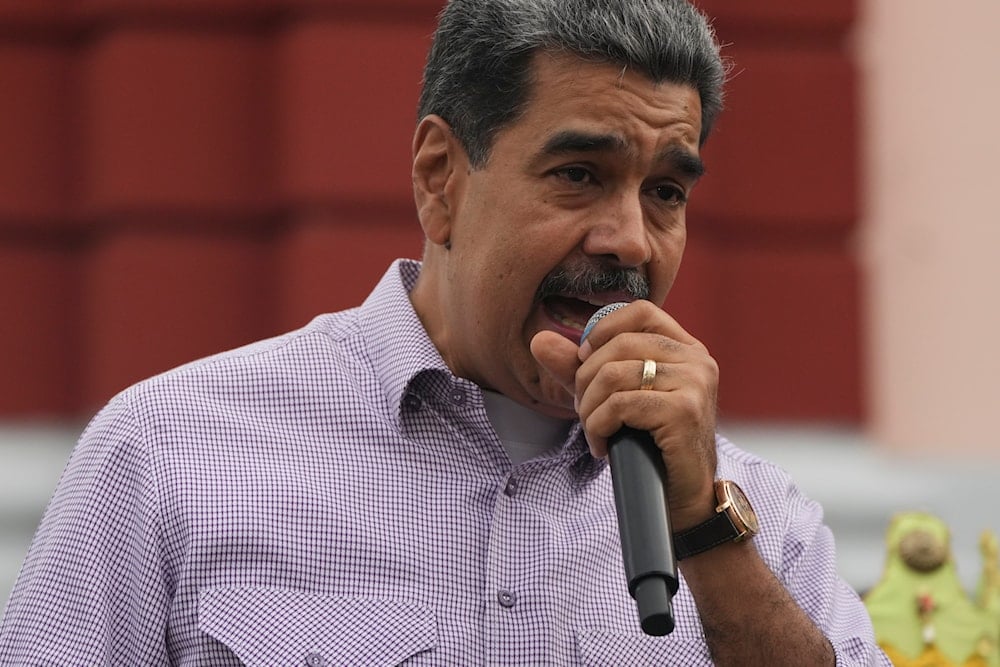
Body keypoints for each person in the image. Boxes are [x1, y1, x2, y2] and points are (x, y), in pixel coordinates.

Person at [0, 0, 890, 664]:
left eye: (665, 191)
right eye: (579, 174)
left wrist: (698, 527)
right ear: (440, 179)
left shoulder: (753, 516)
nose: (628, 238)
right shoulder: (168, 452)